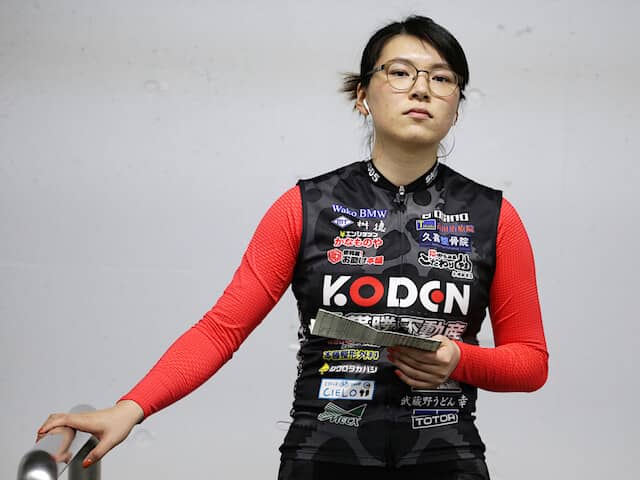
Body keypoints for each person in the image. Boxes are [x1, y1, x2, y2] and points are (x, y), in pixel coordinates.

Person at [37, 15, 548, 479]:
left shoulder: (494, 216)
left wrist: (460, 359)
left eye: (441, 78)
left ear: (457, 106)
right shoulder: (304, 206)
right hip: (322, 458)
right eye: (399, 72)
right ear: (362, 95)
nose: (421, 88)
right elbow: (221, 329)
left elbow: (531, 363)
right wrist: (130, 408)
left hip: (446, 460)